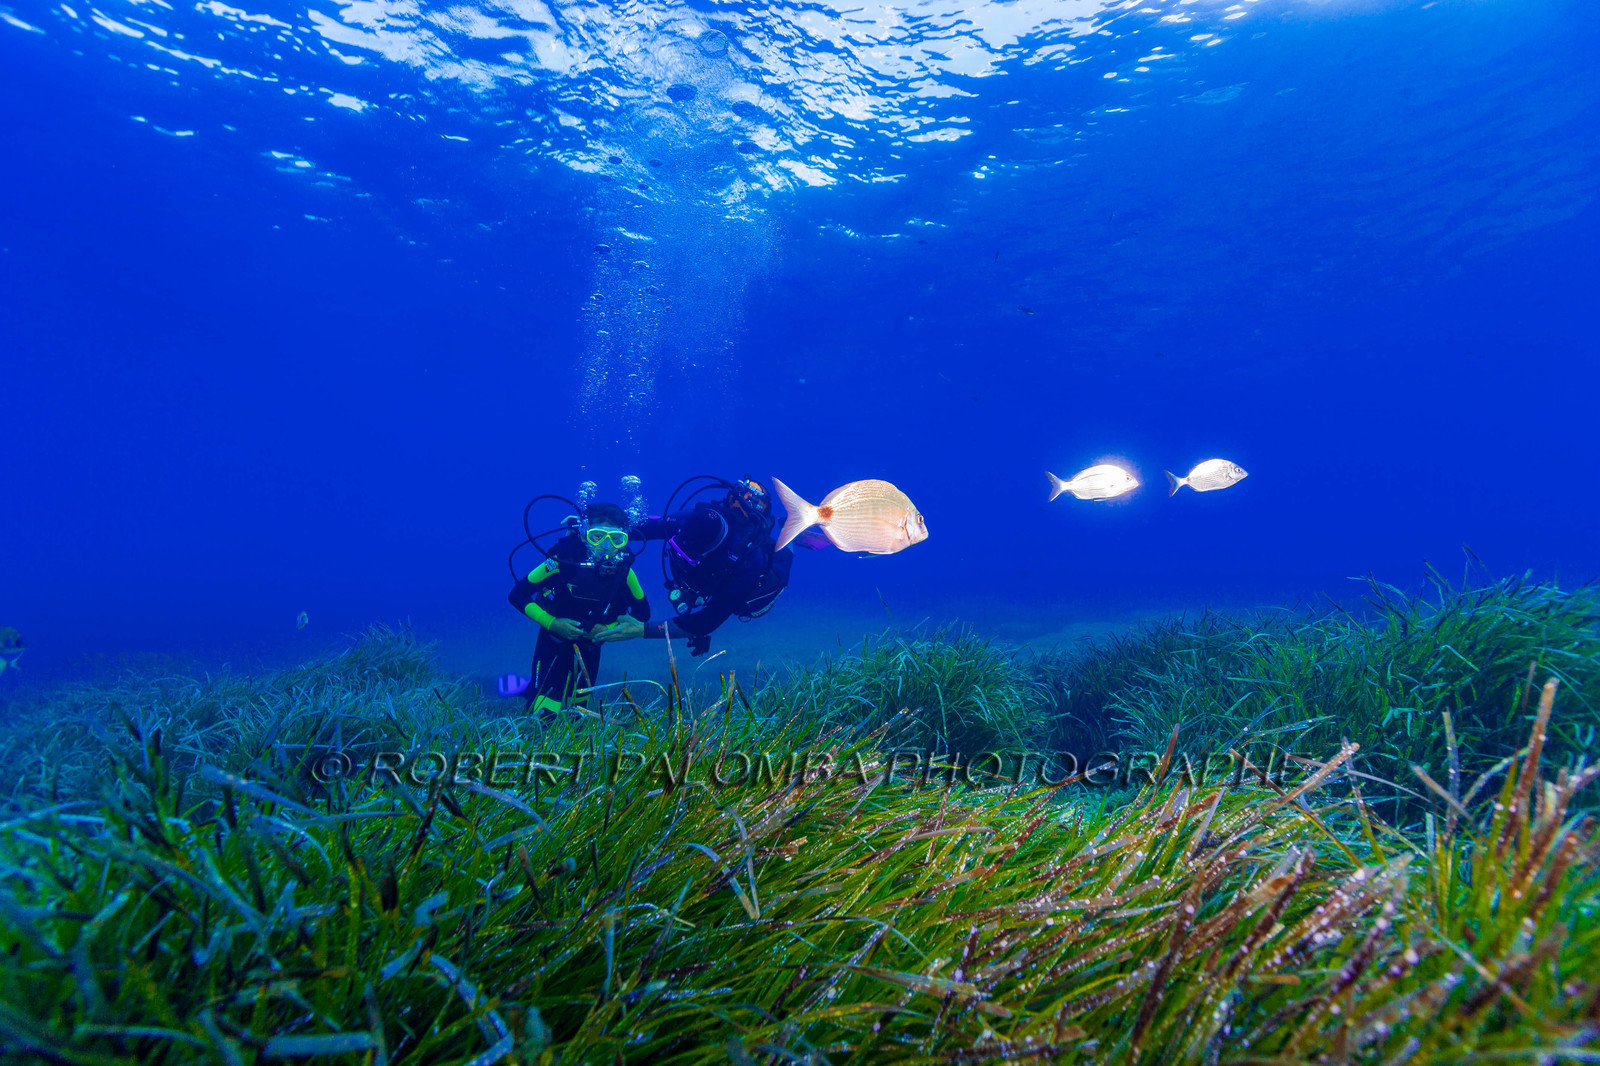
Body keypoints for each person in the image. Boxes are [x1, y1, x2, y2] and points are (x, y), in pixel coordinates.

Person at [605, 476, 793, 656]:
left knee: (783, 555)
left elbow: (710, 620)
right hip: (702, 581)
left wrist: (641, 630)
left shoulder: (750, 560)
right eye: (681, 542)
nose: (684, 550)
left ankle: (792, 528)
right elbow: (648, 527)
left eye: (692, 549)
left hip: (742, 592)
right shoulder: (688, 519)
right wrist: (600, 529)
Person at [502, 502, 650, 717]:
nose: (606, 547)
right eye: (597, 537)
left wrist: (606, 629)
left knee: (578, 710)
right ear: (584, 535)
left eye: (616, 539)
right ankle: (527, 693)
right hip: (553, 640)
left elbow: (642, 614)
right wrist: (553, 623)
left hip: (591, 646)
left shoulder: (624, 573)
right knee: (543, 711)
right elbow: (517, 595)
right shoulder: (561, 561)